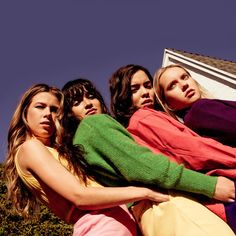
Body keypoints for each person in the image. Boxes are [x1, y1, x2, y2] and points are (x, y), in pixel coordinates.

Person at [62, 78, 235, 236]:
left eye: (91, 96)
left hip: (147, 217)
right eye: (77, 102)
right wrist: (210, 185)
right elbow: (149, 168)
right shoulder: (94, 124)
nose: (87, 104)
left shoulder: (80, 143)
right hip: (165, 205)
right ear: (69, 113)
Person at [4, 83, 173, 236]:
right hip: (100, 225)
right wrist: (145, 192)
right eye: (40, 107)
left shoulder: (57, 152)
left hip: (119, 224)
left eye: (54, 109)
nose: (48, 114)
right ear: (25, 112)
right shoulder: (30, 148)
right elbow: (80, 196)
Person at [109, 64, 236, 233]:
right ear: (123, 95)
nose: (145, 92)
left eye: (148, 86)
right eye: (134, 89)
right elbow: (193, 151)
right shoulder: (143, 119)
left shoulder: (139, 125)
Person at [153, 63, 236, 147]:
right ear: (169, 105)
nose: (184, 85)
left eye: (184, 77)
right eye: (172, 86)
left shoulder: (192, 124)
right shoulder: (200, 109)